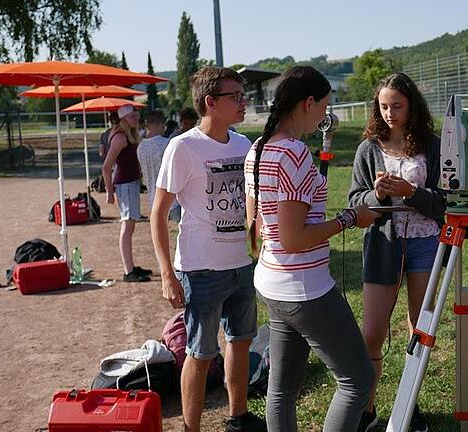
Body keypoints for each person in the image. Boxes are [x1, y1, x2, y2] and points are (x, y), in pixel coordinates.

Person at [244, 65, 379, 432]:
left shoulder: (257, 148)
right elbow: (293, 238)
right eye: (325, 105)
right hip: (303, 287)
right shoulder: (293, 155)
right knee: (357, 380)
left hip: (272, 282)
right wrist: (350, 219)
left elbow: (255, 222)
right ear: (308, 103)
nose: (326, 114)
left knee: (282, 390)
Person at [151, 67, 267, 432]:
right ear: (210, 102)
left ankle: (238, 416)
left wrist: (258, 228)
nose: (243, 102)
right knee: (200, 353)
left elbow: (252, 202)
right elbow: (158, 213)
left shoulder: (243, 144)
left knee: (241, 341)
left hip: (240, 265)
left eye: (243, 95)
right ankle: (191, 428)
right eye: (236, 96)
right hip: (200, 269)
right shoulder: (183, 147)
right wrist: (168, 274)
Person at [347, 72, 445, 432]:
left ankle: (408, 406)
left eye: (397, 106)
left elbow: (443, 203)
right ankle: (367, 410)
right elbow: (355, 202)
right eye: (384, 106)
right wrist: (380, 195)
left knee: (419, 331)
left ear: (412, 105)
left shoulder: (432, 146)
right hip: (383, 246)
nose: (389, 113)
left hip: (425, 244)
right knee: (372, 333)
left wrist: (410, 191)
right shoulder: (369, 149)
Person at [102, 104, 152, 283]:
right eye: (132, 117)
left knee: (130, 226)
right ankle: (128, 270)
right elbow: (106, 167)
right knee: (127, 226)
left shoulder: (128, 135)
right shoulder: (120, 137)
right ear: (123, 119)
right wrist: (109, 190)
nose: (136, 119)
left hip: (129, 183)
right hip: (124, 185)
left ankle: (131, 267)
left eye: (136, 116)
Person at [137, 110, 181, 222]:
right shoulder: (166, 143)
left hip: (154, 199)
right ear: (162, 125)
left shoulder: (140, 147)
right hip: (172, 198)